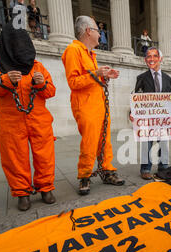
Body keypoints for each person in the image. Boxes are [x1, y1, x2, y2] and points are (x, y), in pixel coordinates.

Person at [0, 23, 56, 211]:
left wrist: (41, 84)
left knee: (45, 155)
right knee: (14, 157)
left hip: (39, 119)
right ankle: (22, 192)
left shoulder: (37, 65)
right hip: (10, 119)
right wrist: (5, 80)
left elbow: (51, 91)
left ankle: (45, 187)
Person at [62, 16, 124, 196]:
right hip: (86, 105)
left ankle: (107, 169)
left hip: (99, 104)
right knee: (89, 141)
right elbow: (73, 82)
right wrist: (96, 74)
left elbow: (91, 79)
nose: (100, 34)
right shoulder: (73, 50)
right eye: (97, 30)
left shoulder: (90, 54)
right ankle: (85, 175)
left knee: (105, 140)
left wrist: (104, 76)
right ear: (88, 31)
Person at [131, 47, 171, 180]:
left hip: (163, 119)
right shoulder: (142, 78)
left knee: (163, 142)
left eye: (154, 56)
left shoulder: (169, 79)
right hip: (147, 118)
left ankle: (164, 167)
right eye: (148, 57)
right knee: (147, 143)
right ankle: (145, 168)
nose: (151, 59)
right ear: (145, 60)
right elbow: (136, 97)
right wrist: (132, 112)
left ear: (160, 59)